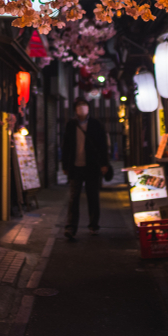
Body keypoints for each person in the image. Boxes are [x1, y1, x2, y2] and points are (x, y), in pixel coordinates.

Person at [61, 98, 111, 239]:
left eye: (84, 106)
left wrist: (104, 164)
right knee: (73, 198)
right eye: (79, 106)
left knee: (93, 197)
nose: (82, 108)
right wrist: (65, 165)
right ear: (75, 109)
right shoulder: (71, 125)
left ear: (88, 108)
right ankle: (70, 228)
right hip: (75, 167)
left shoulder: (95, 124)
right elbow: (66, 146)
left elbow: (102, 145)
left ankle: (94, 225)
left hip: (92, 166)